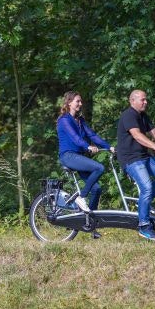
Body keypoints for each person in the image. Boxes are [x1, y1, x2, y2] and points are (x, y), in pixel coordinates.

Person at [116, 89, 155, 241]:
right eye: (143, 99)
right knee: (147, 188)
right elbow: (136, 135)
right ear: (133, 101)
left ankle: (145, 202)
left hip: (143, 157)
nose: (145, 102)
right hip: (131, 159)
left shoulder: (143, 116)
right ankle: (144, 226)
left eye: (146, 99)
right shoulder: (128, 115)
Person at [57, 91, 115, 238]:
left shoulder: (80, 120)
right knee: (99, 167)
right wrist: (88, 146)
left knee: (96, 189)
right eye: (78, 101)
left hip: (78, 157)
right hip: (69, 156)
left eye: (81, 101)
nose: (80, 104)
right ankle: (81, 197)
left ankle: (91, 226)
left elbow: (93, 135)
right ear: (69, 102)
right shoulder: (64, 120)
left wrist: (109, 147)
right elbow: (75, 139)